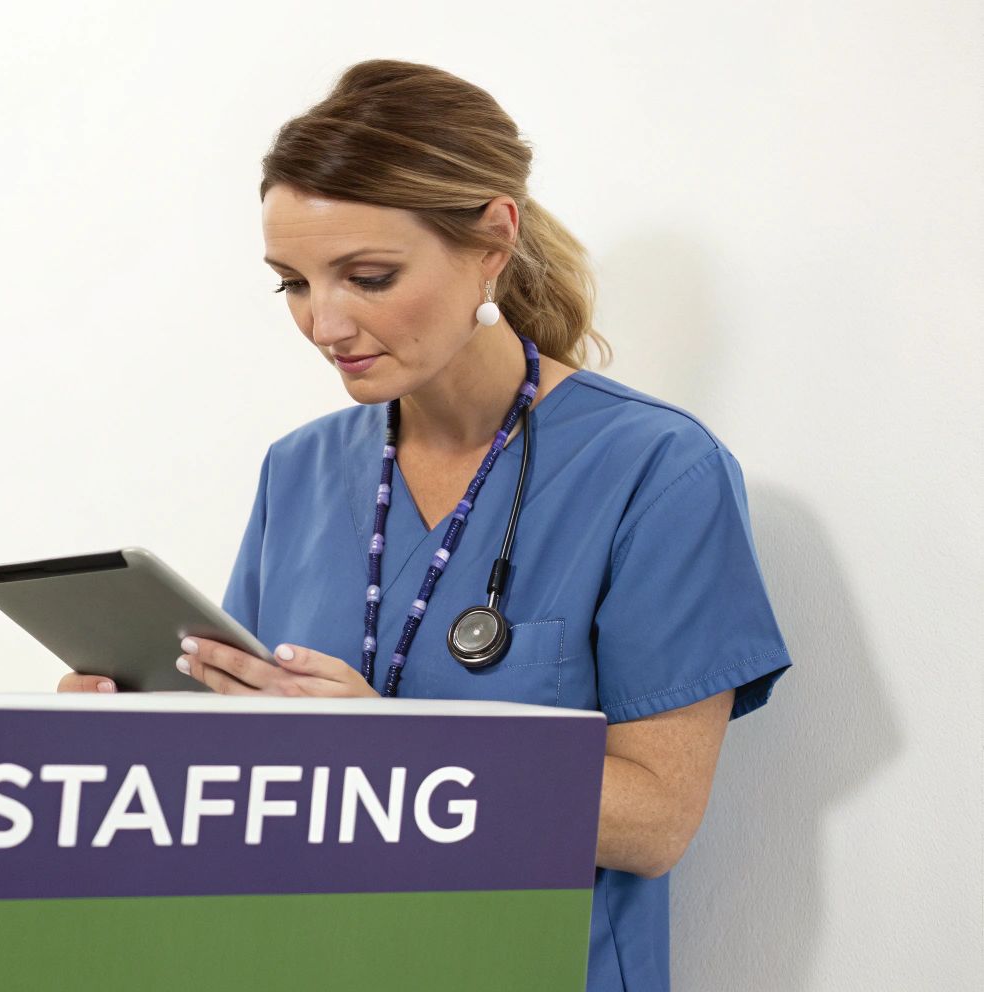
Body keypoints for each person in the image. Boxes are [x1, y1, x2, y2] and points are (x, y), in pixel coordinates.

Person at [57, 59, 793, 992]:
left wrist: (392, 745)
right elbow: (253, 758)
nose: (325, 323)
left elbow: (655, 824)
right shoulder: (302, 469)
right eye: (291, 283)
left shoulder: (656, 471)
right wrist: (136, 734)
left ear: (492, 240)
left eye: (367, 276)